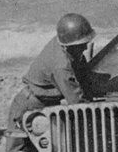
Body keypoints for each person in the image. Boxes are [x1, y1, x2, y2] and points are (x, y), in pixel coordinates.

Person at [6, 13, 96, 142]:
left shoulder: (63, 41)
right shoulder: (61, 66)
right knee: (17, 150)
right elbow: (77, 103)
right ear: (69, 45)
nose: (86, 47)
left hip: (44, 104)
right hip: (28, 109)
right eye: (81, 45)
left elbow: (79, 68)